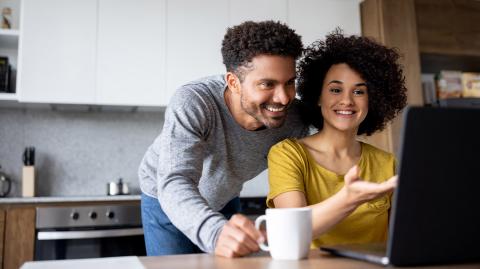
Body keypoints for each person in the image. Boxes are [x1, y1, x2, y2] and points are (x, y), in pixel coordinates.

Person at [138, 20, 309, 258]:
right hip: (166, 198)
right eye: (267, 84)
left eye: (290, 82)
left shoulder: (295, 117)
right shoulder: (195, 101)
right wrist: (215, 233)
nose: (283, 98)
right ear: (233, 82)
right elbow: (175, 179)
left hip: (225, 195)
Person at [266, 30, 407, 248]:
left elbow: (399, 240)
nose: (347, 100)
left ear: (374, 100)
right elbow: (291, 230)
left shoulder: (387, 163)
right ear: (318, 96)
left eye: (359, 92)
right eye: (335, 89)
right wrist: (350, 198)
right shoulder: (287, 155)